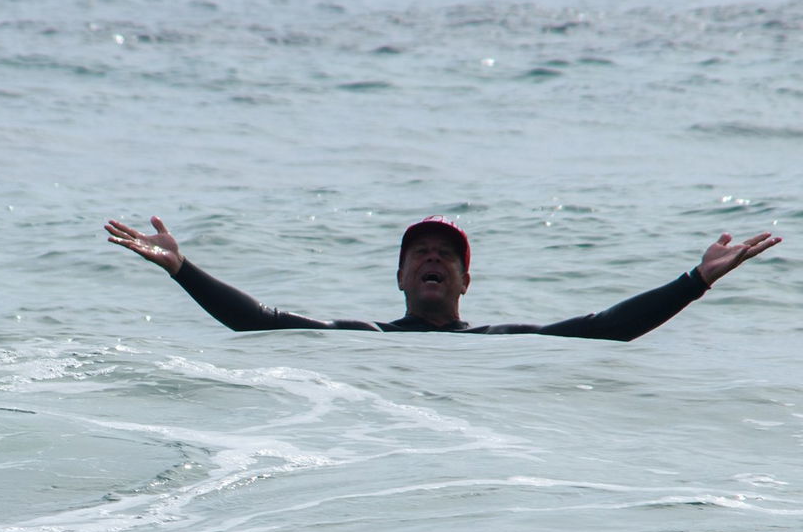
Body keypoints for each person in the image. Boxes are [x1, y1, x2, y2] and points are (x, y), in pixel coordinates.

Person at [104, 214, 780, 340]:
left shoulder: (502, 338)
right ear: (399, 276)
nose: (434, 259)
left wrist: (697, 279)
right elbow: (261, 322)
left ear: (465, 282)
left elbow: (605, 332)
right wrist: (182, 268)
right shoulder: (365, 334)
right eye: (420, 253)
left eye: (447, 256)